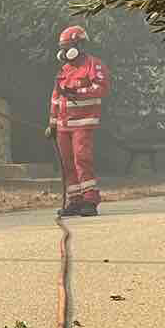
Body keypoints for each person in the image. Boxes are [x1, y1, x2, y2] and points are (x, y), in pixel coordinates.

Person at [45, 24, 111, 217]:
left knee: (82, 160)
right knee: (67, 164)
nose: (64, 52)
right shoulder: (64, 69)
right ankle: (75, 201)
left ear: (79, 46)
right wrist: (52, 122)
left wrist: (79, 92)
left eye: (68, 47)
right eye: (62, 48)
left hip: (83, 123)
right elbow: (55, 98)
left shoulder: (93, 65)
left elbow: (102, 88)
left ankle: (90, 200)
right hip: (63, 126)